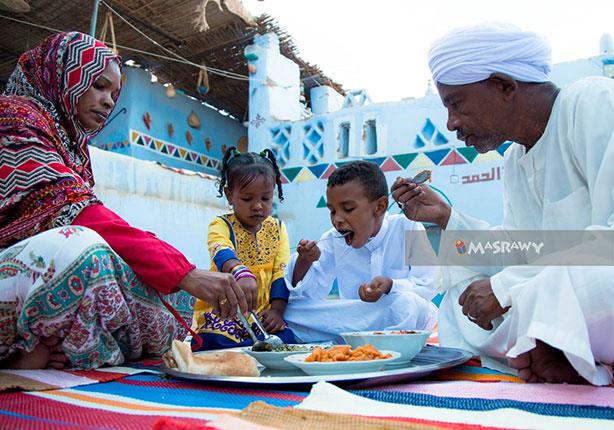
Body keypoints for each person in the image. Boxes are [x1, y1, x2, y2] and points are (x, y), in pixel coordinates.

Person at [0, 32, 247, 370]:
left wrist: (181, 278)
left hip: (37, 281)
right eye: (98, 86)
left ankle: (66, 349)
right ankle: (50, 350)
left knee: (173, 299)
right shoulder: (14, 119)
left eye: (114, 94)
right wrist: (184, 272)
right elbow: (80, 217)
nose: (108, 101)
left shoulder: (72, 147)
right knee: (83, 250)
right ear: (63, 74)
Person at [392, 23, 614, 385]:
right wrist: (448, 219)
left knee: (590, 280)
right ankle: (553, 345)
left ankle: (555, 343)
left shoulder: (592, 102)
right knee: (458, 301)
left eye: (456, 103)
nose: (451, 123)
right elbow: (520, 250)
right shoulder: (514, 160)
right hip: (566, 301)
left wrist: (508, 289)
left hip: (600, 282)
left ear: (504, 86)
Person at [283, 161, 437, 343]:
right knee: (291, 311)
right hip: (355, 318)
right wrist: (305, 261)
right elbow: (308, 295)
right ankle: (367, 341)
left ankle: (362, 341)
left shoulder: (407, 226)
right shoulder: (333, 239)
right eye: (332, 211)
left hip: (398, 314)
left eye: (348, 209)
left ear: (380, 207)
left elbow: (428, 285)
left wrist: (390, 286)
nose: (337, 220)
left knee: (407, 304)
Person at [192, 147, 297, 349]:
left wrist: (276, 311)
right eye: (247, 199)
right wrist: (240, 272)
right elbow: (221, 250)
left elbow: (280, 274)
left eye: (265, 199)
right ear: (230, 195)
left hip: (261, 316)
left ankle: (252, 348)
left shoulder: (278, 228)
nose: (258, 206)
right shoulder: (220, 225)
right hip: (226, 312)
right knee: (212, 341)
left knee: (287, 340)